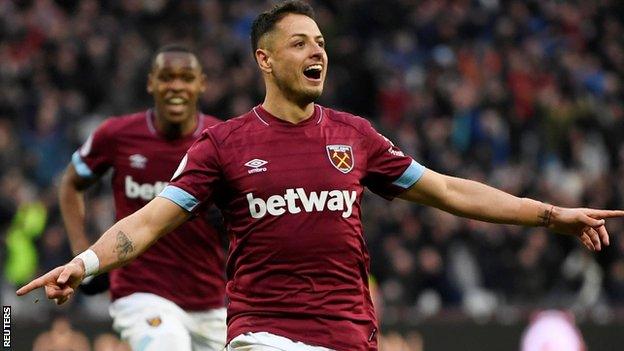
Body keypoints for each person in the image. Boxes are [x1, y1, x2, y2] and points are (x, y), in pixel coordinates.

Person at [17, 2, 624, 350]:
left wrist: (551, 214)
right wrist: (86, 261)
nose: (317, 52)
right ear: (265, 58)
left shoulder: (355, 135)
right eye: (300, 42)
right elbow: (150, 220)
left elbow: (448, 190)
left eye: (322, 42)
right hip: (266, 335)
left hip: (351, 335)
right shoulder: (223, 143)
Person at [57, 44, 227, 351]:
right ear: (151, 82)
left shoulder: (222, 139)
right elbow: (71, 182)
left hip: (210, 301)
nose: (176, 86)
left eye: (186, 78)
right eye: (166, 77)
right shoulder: (117, 135)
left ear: (202, 83)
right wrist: (80, 252)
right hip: (140, 294)